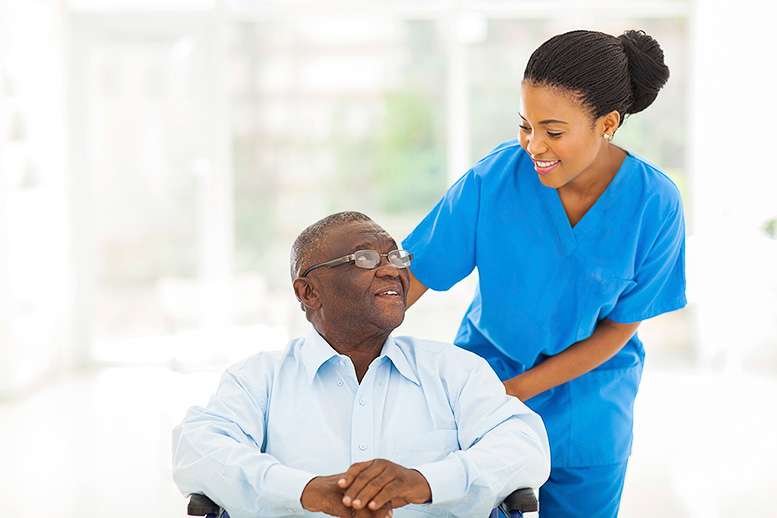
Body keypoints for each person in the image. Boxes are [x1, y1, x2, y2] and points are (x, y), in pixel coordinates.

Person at [402, 30, 686, 517]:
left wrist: (519, 390)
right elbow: (413, 277)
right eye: (525, 126)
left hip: (590, 401)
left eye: (553, 131)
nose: (534, 145)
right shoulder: (494, 181)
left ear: (608, 123)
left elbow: (619, 328)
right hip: (486, 383)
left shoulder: (653, 204)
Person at [172, 211, 550, 518]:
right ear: (309, 292)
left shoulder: (455, 371)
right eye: (365, 258)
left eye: (396, 256)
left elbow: (523, 446)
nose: (392, 270)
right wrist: (307, 492)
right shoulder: (257, 379)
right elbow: (199, 449)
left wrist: (422, 482)